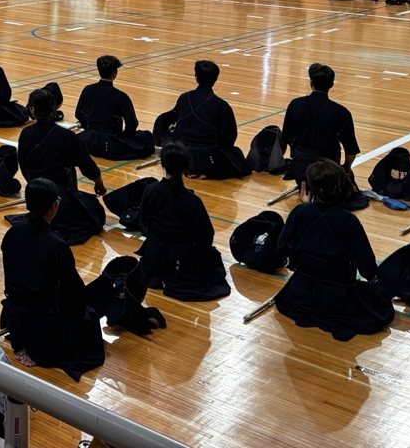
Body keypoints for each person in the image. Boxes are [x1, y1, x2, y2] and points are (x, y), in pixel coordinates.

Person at [1, 179, 144, 380]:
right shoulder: (56, 245)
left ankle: (26, 341)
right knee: (97, 298)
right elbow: (74, 294)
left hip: (16, 315)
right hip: (45, 324)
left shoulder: (12, 233)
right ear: (54, 206)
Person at [275, 160, 394, 340]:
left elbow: (282, 249)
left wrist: (305, 207)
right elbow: (368, 269)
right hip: (337, 297)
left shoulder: (299, 212)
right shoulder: (349, 221)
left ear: (311, 189)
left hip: (301, 292)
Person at [136, 140, 230, 301]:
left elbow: (143, 221)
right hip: (180, 260)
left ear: (162, 164)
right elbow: (206, 237)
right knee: (212, 258)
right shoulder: (192, 201)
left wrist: (156, 239)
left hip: (154, 256)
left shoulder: (151, 190)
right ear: (186, 167)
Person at [19, 88, 106, 244]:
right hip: (60, 200)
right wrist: (99, 184)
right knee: (96, 214)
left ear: (32, 109)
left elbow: (24, 167)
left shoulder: (25, 134)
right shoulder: (66, 136)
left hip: (35, 200)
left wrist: (36, 188)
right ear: (54, 108)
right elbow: (87, 166)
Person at [162, 59, 248, 178]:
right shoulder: (221, 105)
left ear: (196, 77)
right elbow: (229, 138)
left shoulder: (184, 97)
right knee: (237, 156)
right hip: (205, 158)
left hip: (180, 155)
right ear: (215, 79)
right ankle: (206, 172)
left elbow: (171, 120)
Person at [281, 63, 358, 192]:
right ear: (331, 85)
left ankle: (305, 184)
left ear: (311, 83)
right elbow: (351, 149)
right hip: (327, 171)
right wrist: (346, 168)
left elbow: (286, 137)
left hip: (300, 169)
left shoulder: (295, 105)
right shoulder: (341, 112)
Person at [76, 55, 153, 160]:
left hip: (88, 140)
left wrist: (89, 127)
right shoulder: (120, 96)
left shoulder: (87, 90)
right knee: (147, 137)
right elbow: (132, 124)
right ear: (114, 73)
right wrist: (124, 137)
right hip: (110, 142)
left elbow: (78, 113)